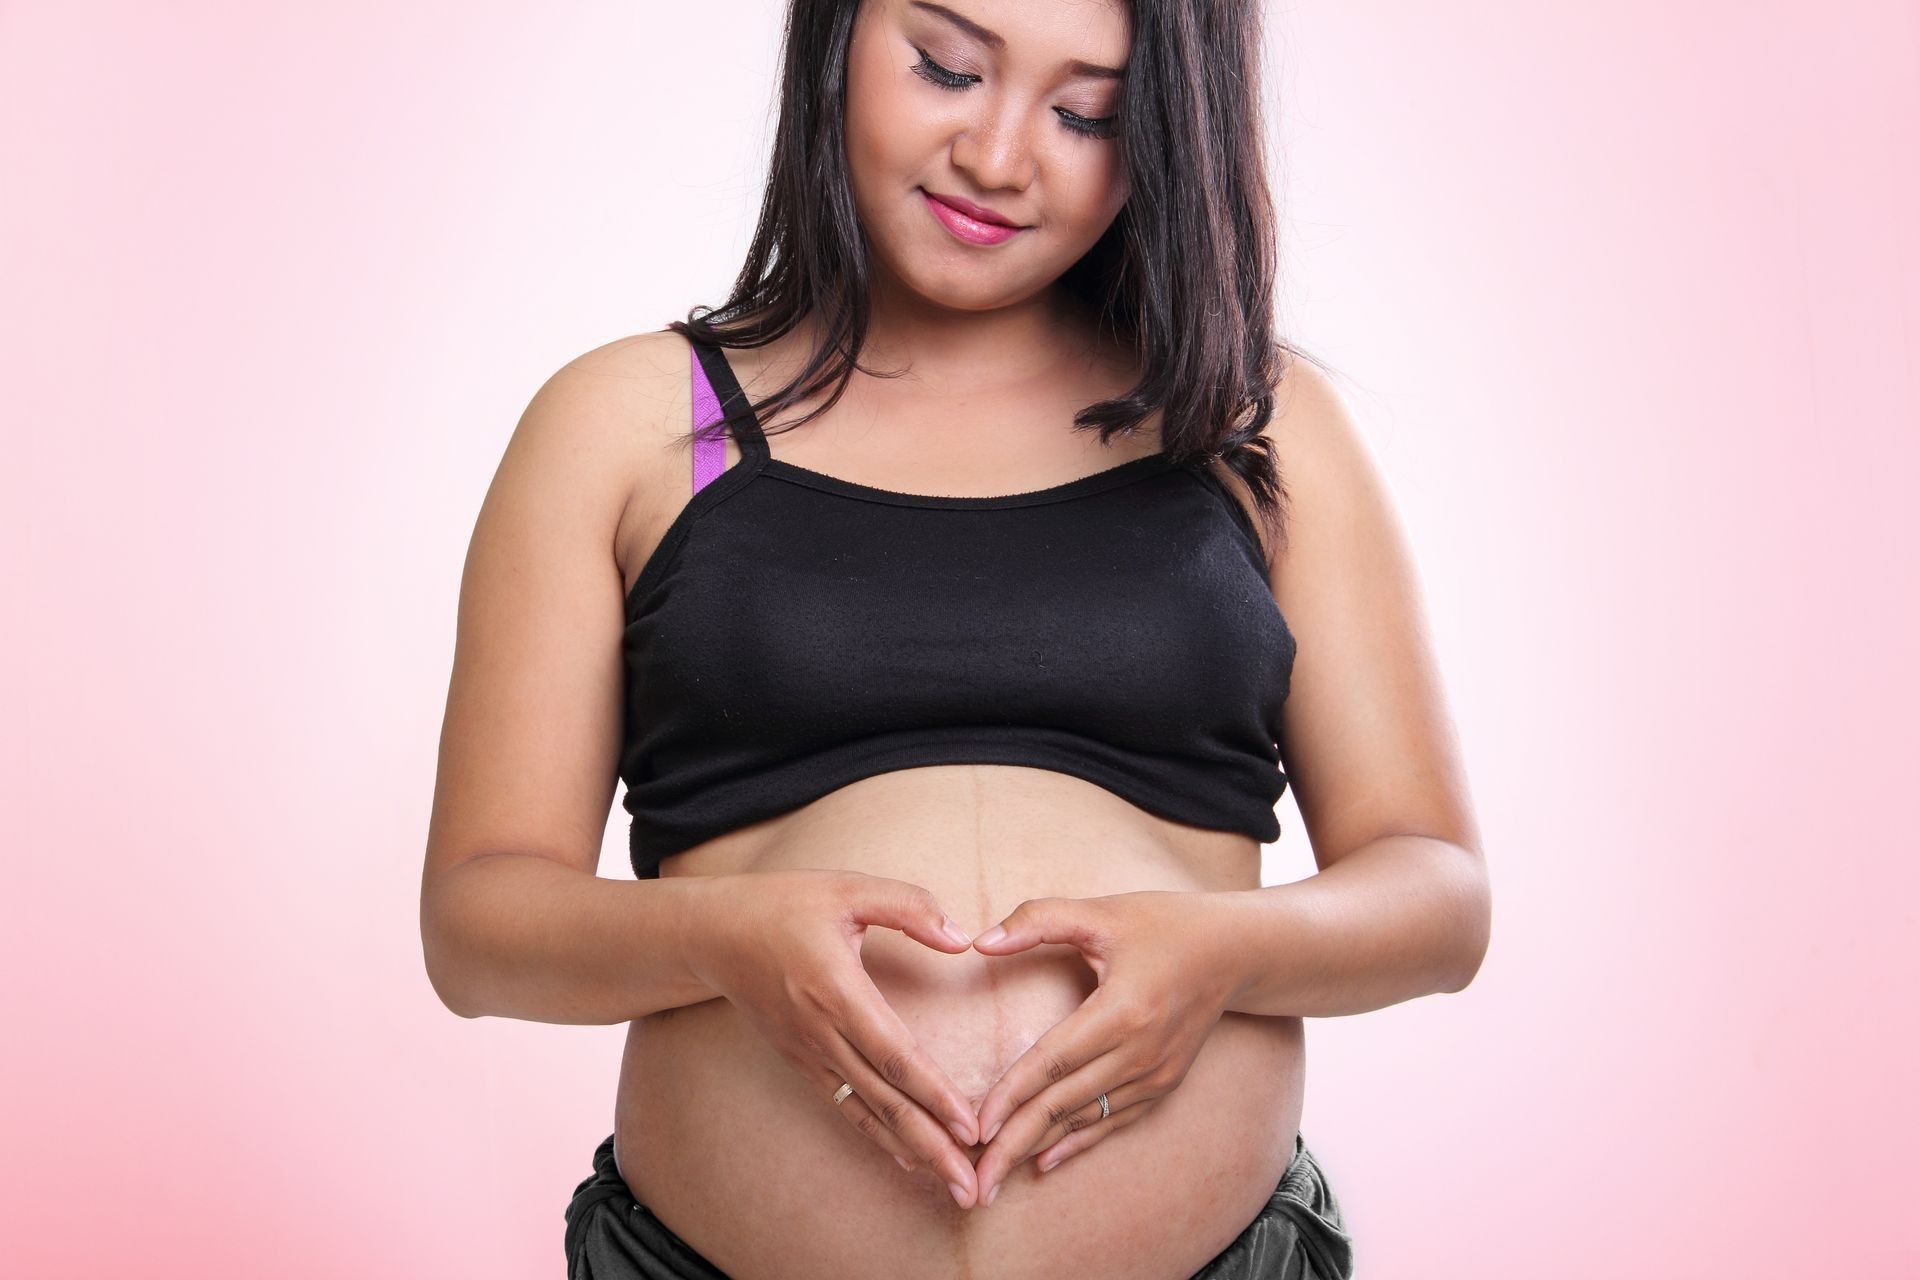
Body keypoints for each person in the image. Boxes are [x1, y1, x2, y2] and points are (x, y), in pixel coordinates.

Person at [419, 0, 1490, 1276]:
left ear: (1164, 131)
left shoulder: (1252, 422)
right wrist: (721, 938)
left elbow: (1437, 889)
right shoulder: (629, 425)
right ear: (837, 34)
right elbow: (478, 920)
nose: (997, 156)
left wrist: (1223, 951)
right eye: (946, 66)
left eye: (1086, 111)